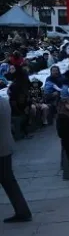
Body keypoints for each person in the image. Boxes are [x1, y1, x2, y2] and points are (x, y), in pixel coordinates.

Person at [0, 95, 32, 223]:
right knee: (8, 181)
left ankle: (23, 211)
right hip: (5, 146)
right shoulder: (3, 100)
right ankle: (22, 211)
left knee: (8, 181)